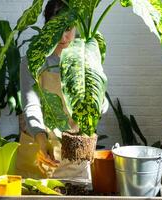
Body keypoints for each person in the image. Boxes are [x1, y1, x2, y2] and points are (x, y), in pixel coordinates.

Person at [16, 0, 108, 180]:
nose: (63, 38)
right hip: (38, 152)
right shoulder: (33, 61)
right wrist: (42, 141)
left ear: (76, 27)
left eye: (68, 29)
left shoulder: (84, 61)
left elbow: (103, 107)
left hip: (74, 155)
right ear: (47, 28)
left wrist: (97, 98)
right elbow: (31, 104)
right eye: (56, 28)